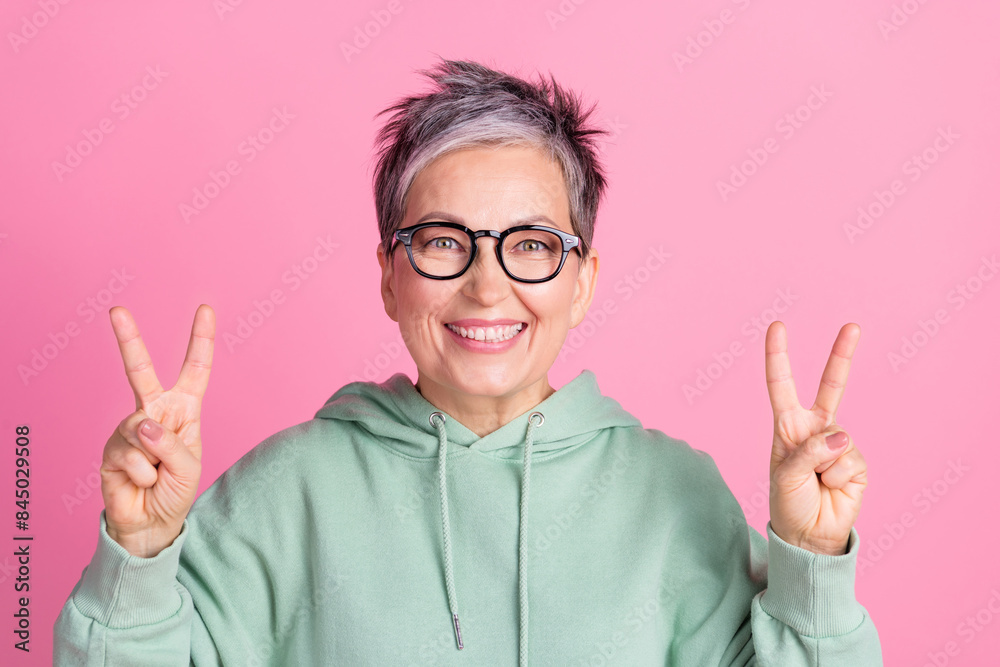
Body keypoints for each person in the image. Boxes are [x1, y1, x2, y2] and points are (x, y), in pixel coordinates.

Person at [54, 58, 883, 665]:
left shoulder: (671, 494)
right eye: (445, 242)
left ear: (584, 281)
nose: (487, 287)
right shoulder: (286, 488)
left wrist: (810, 565)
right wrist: (140, 547)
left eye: (530, 245)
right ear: (388, 273)